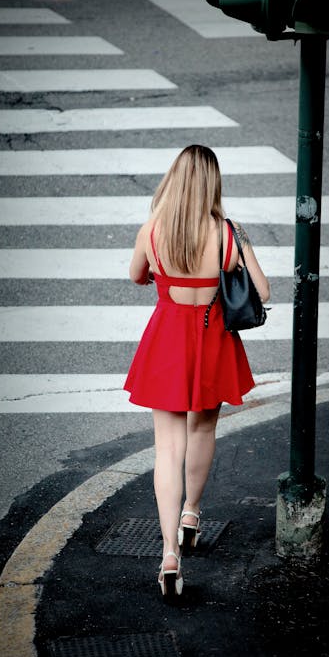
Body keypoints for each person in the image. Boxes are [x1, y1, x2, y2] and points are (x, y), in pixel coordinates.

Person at [124, 144, 270, 597]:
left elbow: (136, 276)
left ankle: (170, 555)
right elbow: (262, 292)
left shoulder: (153, 229)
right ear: (212, 183)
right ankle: (192, 513)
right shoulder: (228, 234)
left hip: (167, 338)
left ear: (174, 179)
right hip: (212, 339)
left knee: (167, 447)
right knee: (203, 431)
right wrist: (237, 251)